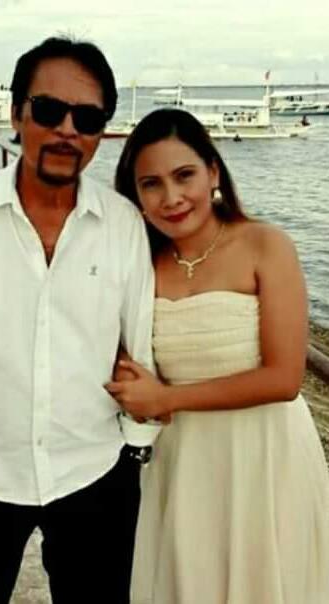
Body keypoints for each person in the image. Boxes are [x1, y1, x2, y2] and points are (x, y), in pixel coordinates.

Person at [0, 36, 159, 604]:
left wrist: (136, 447)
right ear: (16, 114)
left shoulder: (123, 224)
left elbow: (139, 338)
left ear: (101, 132)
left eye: (87, 118)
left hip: (94, 471)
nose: (67, 130)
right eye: (49, 110)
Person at [107, 108, 329, 604]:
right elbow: (123, 354)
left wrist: (166, 397)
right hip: (184, 463)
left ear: (213, 171)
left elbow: (285, 377)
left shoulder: (266, 245)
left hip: (266, 457)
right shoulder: (140, 264)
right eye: (151, 184)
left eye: (184, 175)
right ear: (135, 195)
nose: (171, 197)